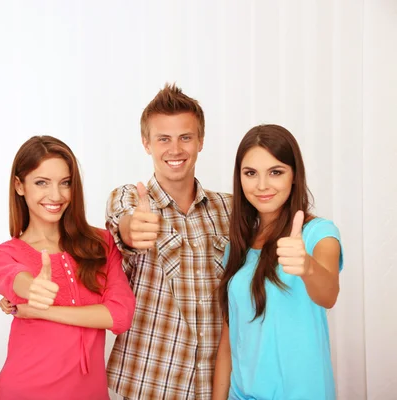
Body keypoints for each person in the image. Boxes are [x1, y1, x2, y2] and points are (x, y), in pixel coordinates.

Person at [105, 83, 232, 400]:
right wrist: (133, 229)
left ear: (200, 141)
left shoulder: (230, 209)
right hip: (147, 385)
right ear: (146, 143)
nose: (175, 150)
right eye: (164, 139)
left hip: (215, 387)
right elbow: (125, 226)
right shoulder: (130, 197)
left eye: (185, 137)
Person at [0, 135, 136, 400]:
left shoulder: (100, 243)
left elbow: (120, 316)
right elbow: (11, 279)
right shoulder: (2, 254)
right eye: (41, 182)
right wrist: (31, 288)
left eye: (65, 183)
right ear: (19, 186)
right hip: (24, 391)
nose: (56, 195)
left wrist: (43, 311)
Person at [212, 124, 343, 400]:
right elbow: (228, 341)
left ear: (294, 175)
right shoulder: (235, 248)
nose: (262, 185)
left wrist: (307, 266)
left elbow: (329, 294)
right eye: (251, 173)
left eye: (276, 172)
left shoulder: (319, 233)